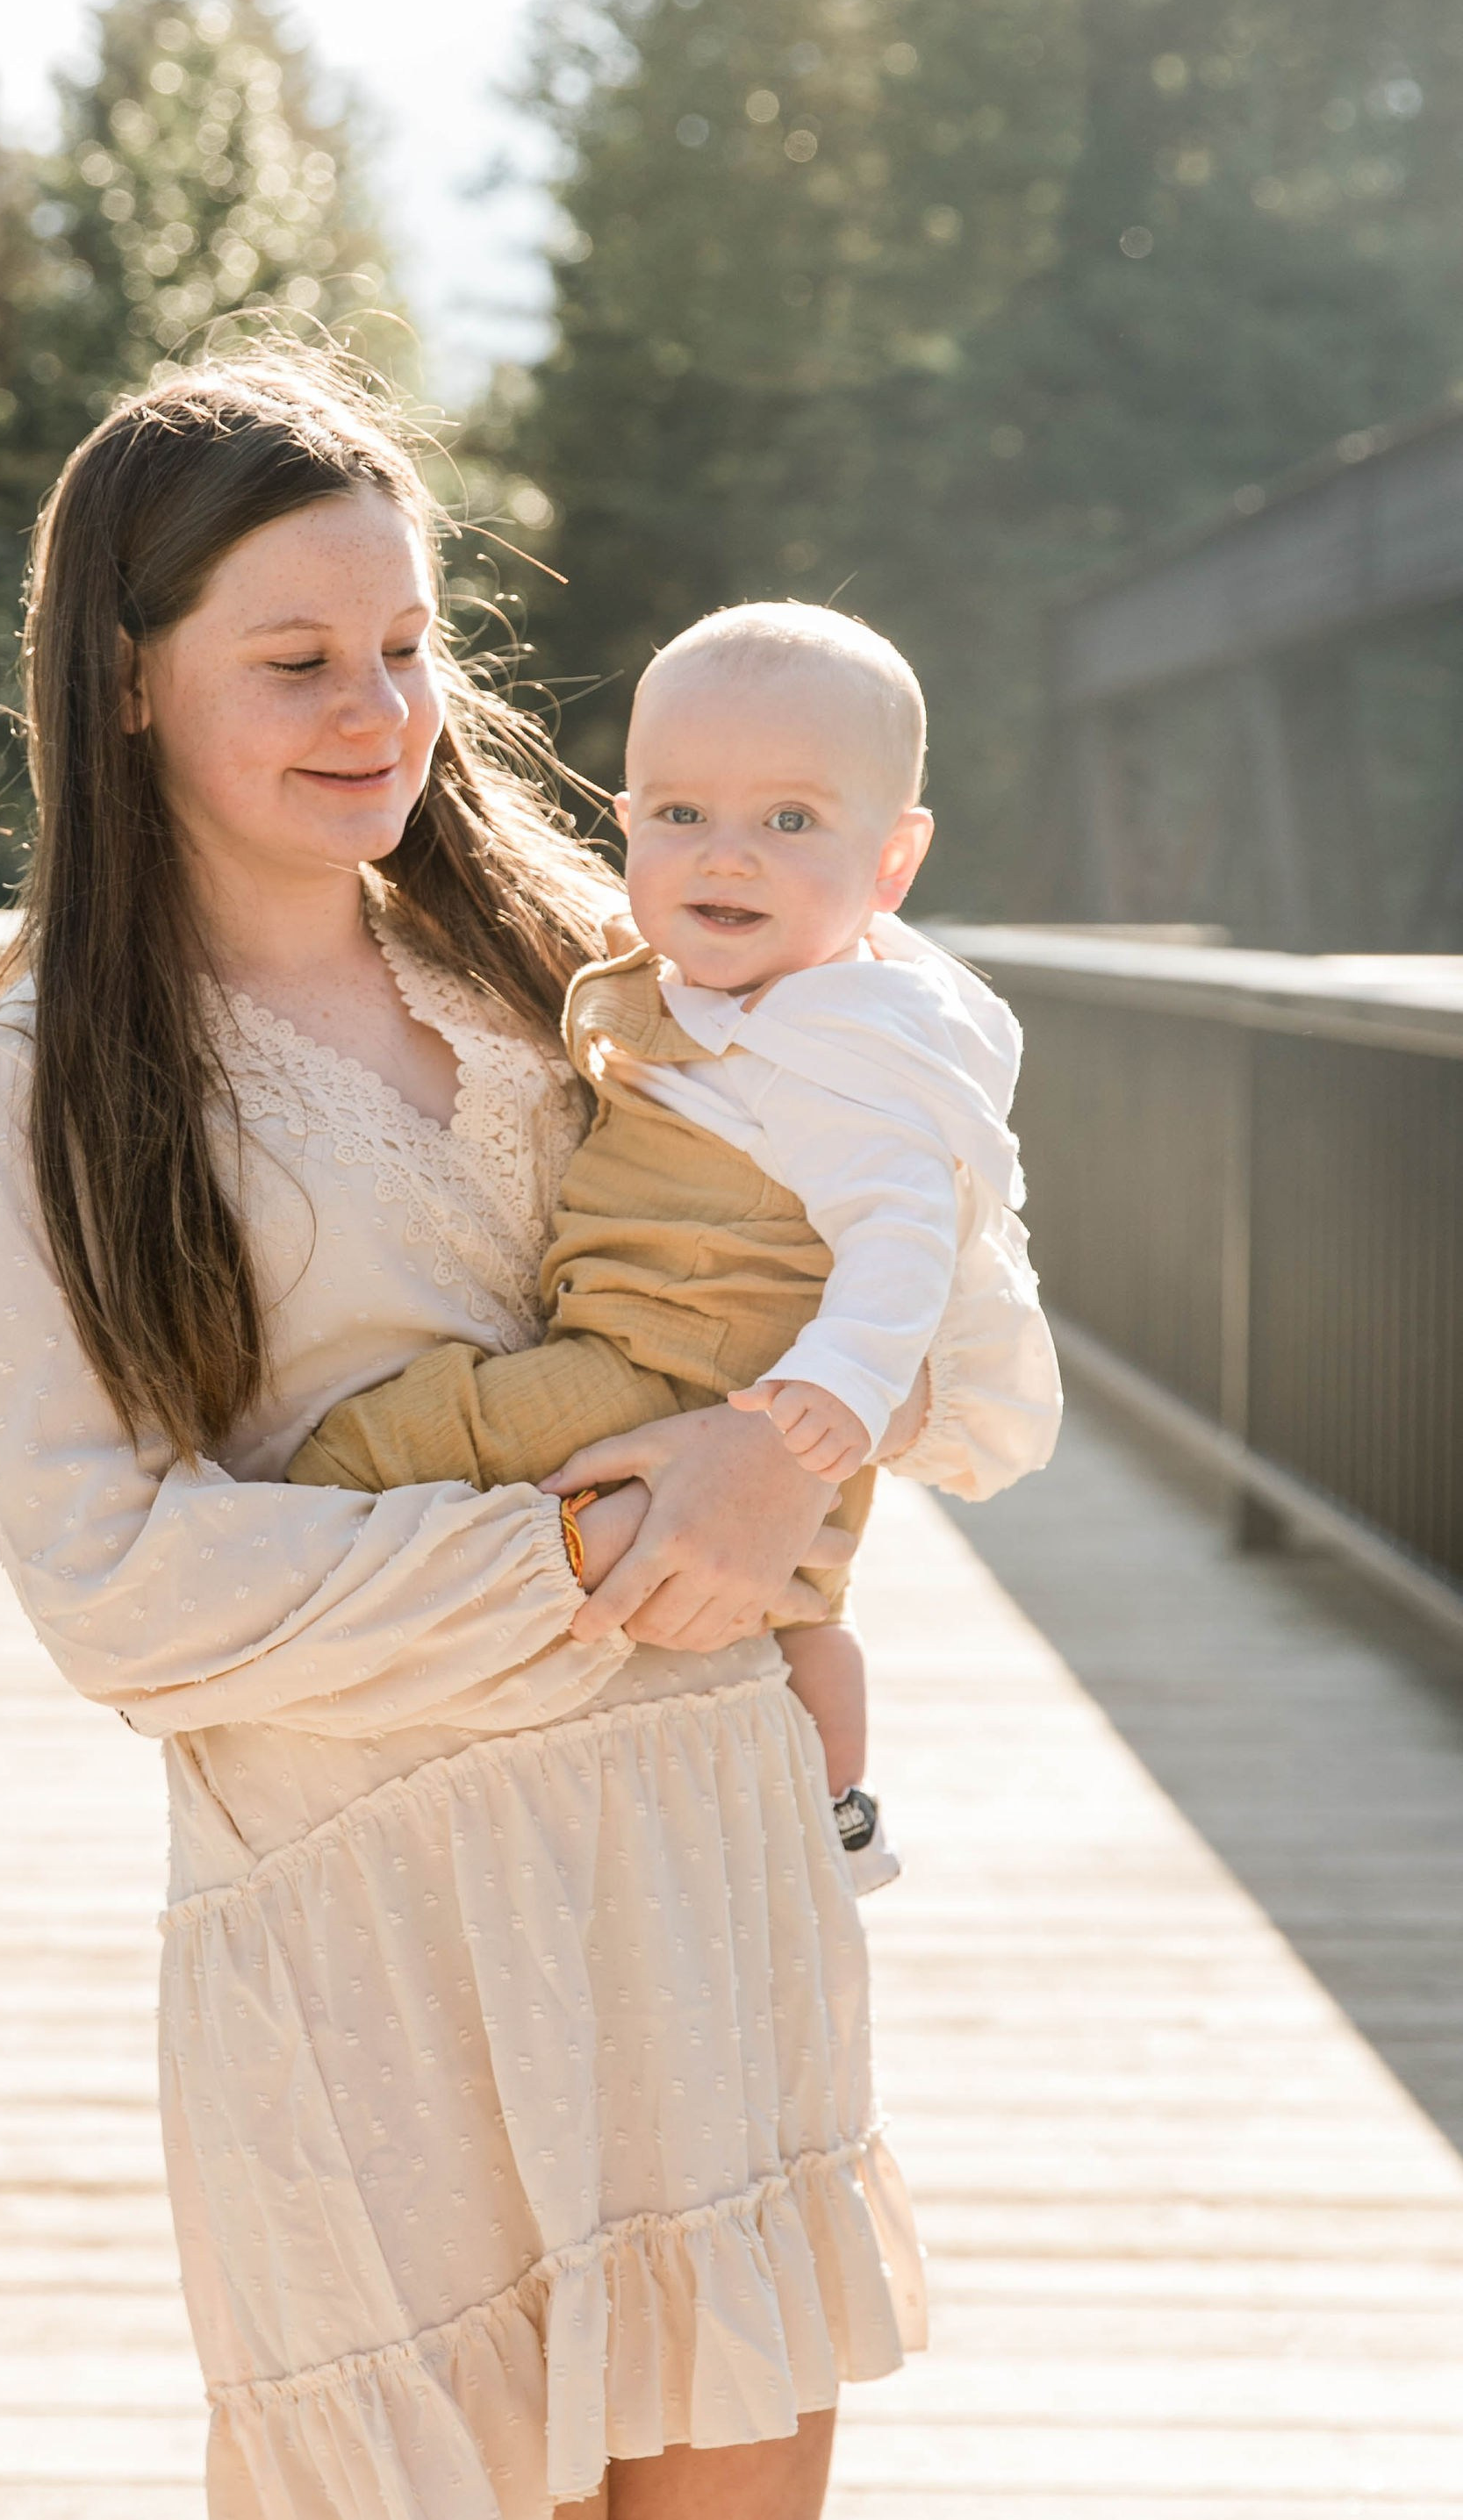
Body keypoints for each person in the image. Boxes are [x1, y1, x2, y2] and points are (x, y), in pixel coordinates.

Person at [0, 343, 935, 2520]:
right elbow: (125, 1593)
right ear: (123, 681)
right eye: (295, 659)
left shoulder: (586, 959)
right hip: (379, 1950)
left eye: (407, 643)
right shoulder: (27, 1097)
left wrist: (808, 1500)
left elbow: (878, 1239)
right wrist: (601, 1557)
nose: (378, 710)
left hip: (698, 1870)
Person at [287, 600, 1063, 1892]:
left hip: (669, 1356)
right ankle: (837, 1814)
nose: (728, 857)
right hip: (742, 1377)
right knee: (805, 1605)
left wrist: (838, 1390)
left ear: (892, 861)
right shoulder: (712, 978)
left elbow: (904, 1229)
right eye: (682, 813)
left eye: (791, 821)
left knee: (445, 1429)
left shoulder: (845, 1045)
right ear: (625, 819)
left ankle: (304, 1504)